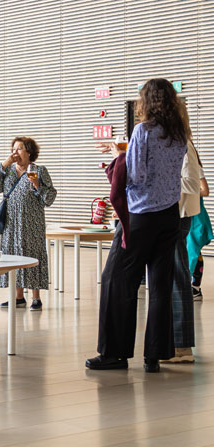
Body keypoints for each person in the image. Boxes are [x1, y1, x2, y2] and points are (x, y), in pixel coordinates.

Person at [86, 78, 188, 373]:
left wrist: (121, 157)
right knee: (159, 286)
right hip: (169, 215)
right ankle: (155, 355)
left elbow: (138, 176)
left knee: (116, 280)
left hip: (140, 216)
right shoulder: (180, 133)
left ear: (147, 101)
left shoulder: (143, 131)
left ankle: (114, 354)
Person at [0, 137, 56, 310]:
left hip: (32, 222)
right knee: (13, 255)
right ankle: (18, 297)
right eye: (14, 149)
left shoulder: (39, 170)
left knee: (33, 256)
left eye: (19, 149)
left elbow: (49, 198)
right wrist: (4, 163)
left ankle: (35, 298)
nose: (15, 152)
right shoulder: (9, 171)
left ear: (29, 152)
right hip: (11, 222)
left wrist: (38, 184)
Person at [164, 104, 201, 364]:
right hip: (168, 215)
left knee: (179, 279)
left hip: (178, 216)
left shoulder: (183, 143)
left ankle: (183, 347)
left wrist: (161, 181)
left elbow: (191, 182)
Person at [189, 172, 211, 302]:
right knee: (192, 251)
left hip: (195, 216)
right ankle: (194, 287)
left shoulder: (196, 168)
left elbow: (205, 191)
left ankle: (195, 287)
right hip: (187, 215)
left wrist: (185, 189)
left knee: (193, 251)